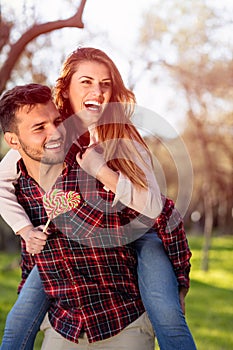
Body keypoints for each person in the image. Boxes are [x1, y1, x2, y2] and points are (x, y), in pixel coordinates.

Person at [0, 47, 196, 349]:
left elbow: (154, 206)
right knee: (18, 321)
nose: (98, 91)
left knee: (167, 312)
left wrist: (101, 170)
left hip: (140, 234)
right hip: (67, 247)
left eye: (105, 84)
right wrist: (24, 229)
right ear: (65, 89)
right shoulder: (53, 130)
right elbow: (6, 177)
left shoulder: (124, 134)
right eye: (86, 82)